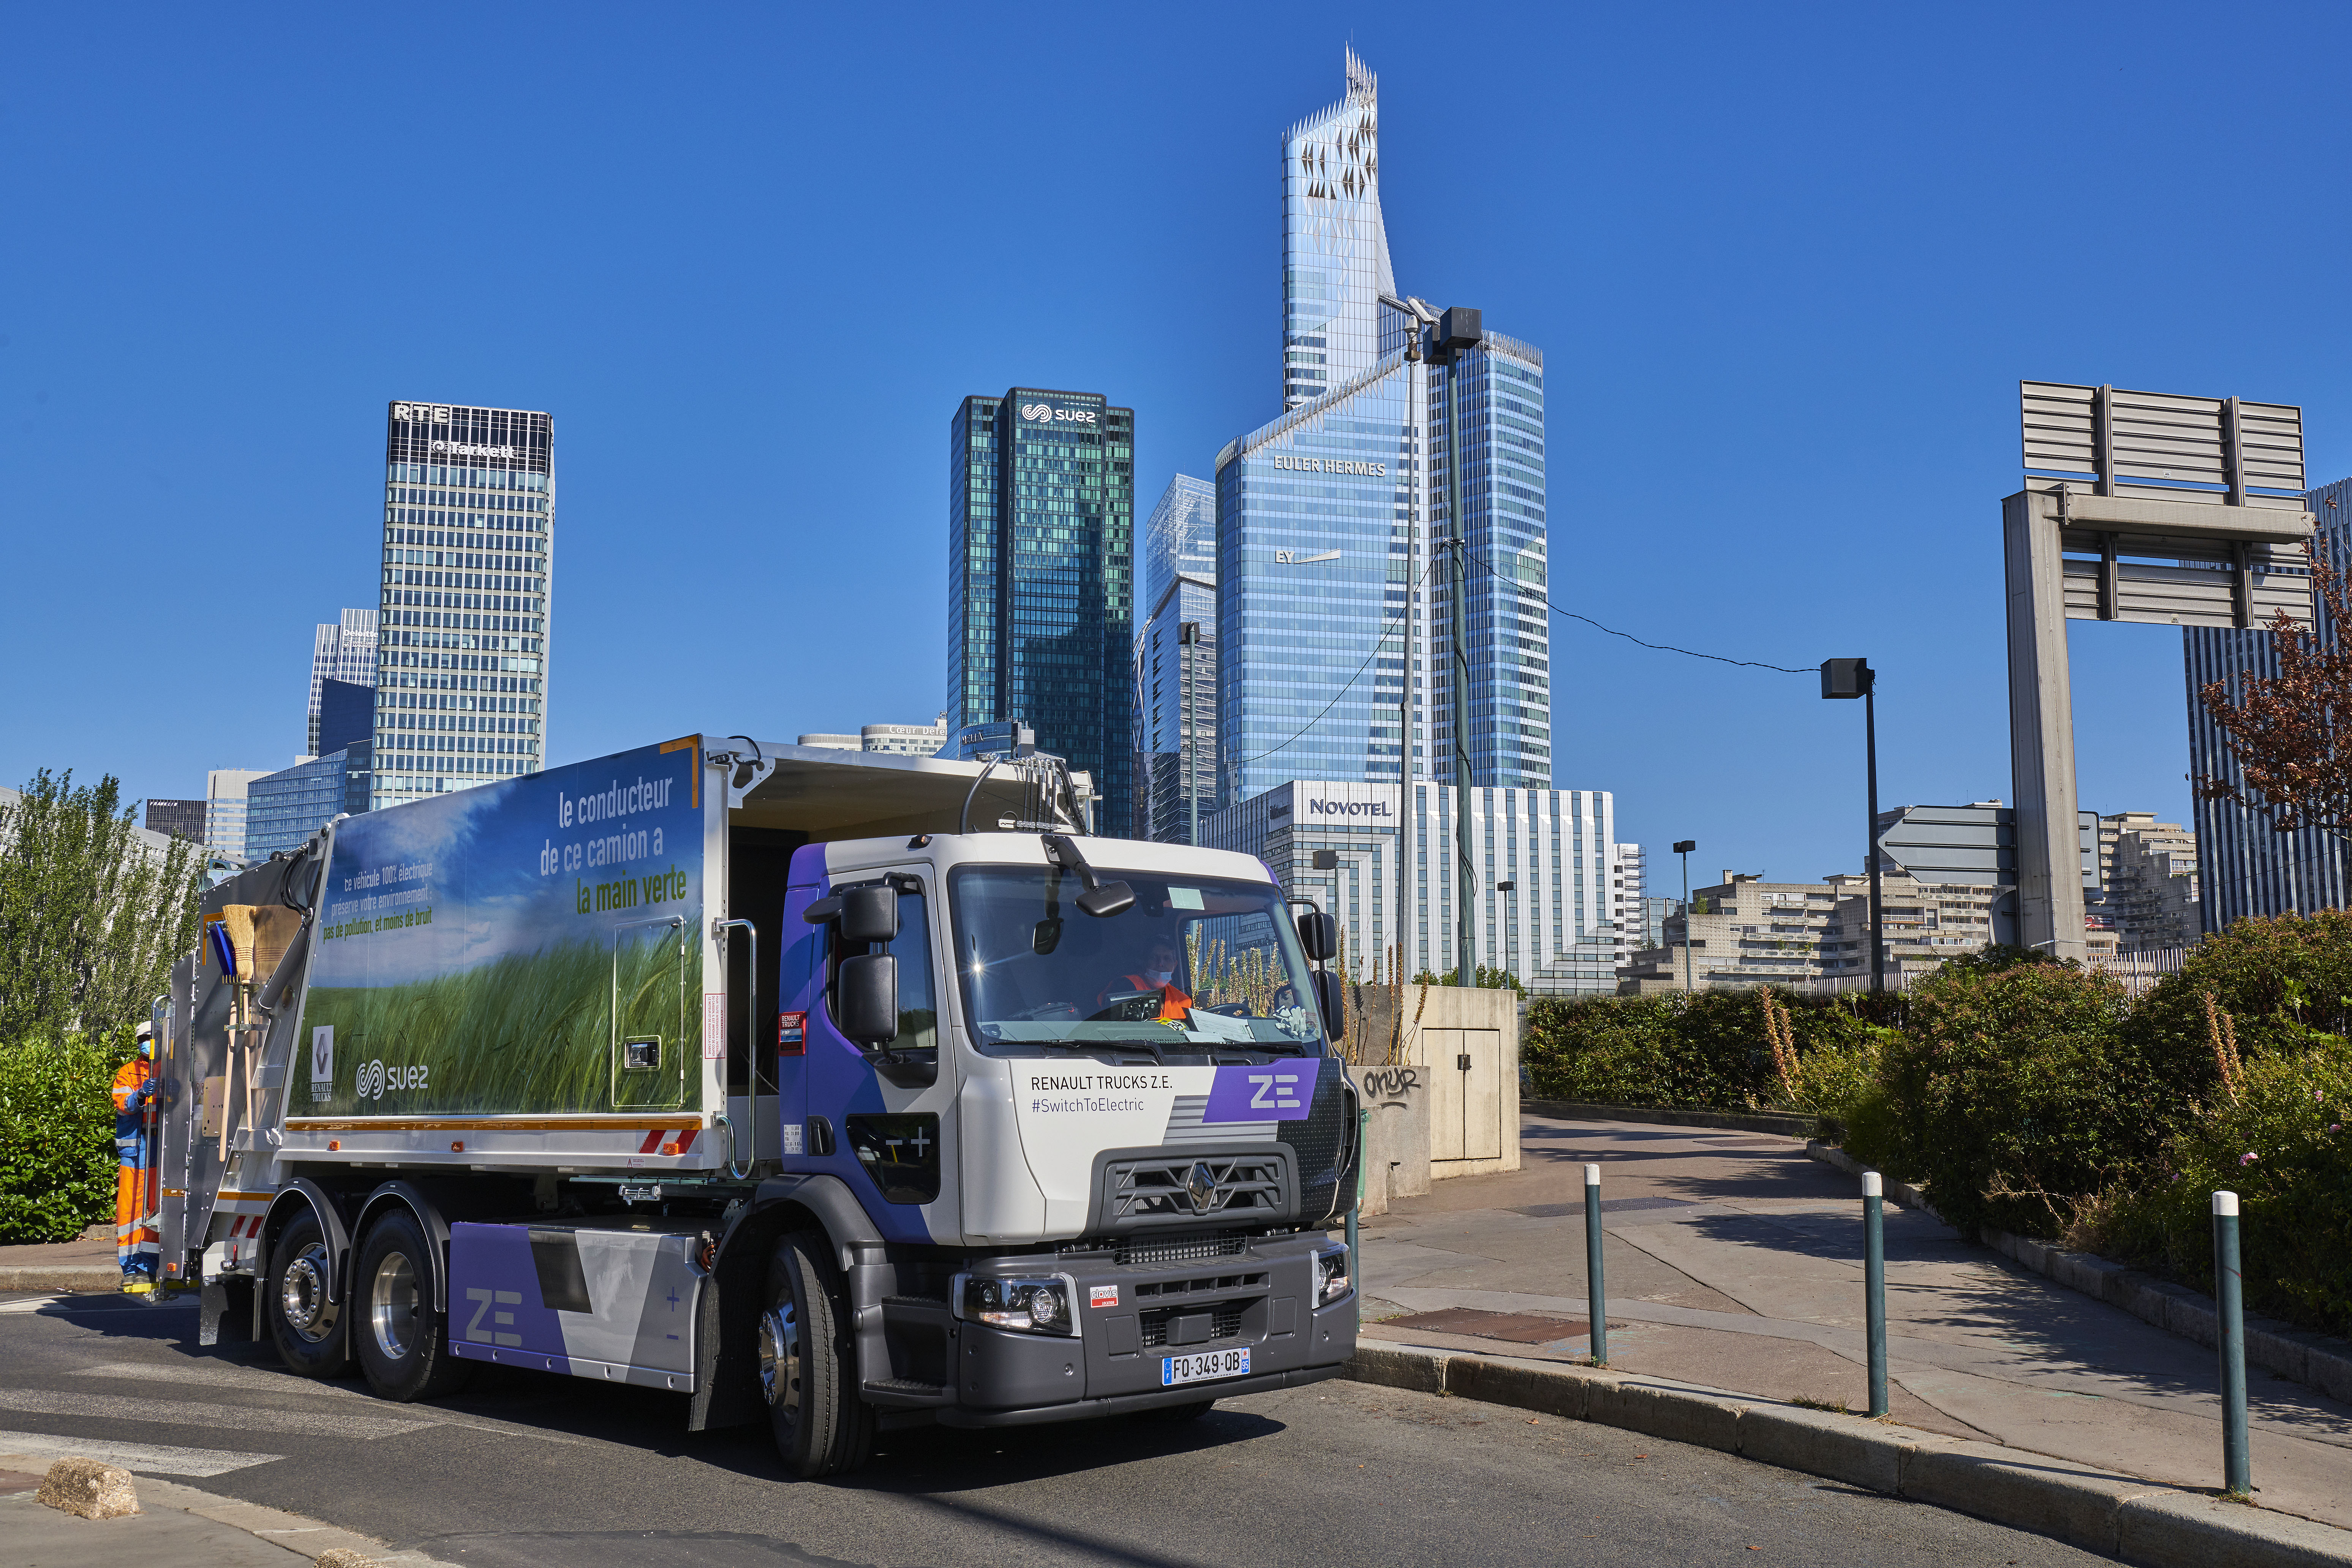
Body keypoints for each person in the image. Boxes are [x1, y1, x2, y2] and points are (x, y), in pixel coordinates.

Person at [112, 1023, 160, 1287]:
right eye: (144, 1039)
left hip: (159, 1151)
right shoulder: (127, 1073)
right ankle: (131, 1270)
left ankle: (148, 1267)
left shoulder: (169, 1068)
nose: (149, 1042)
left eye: (153, 1038)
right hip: (134, 1152)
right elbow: (124, 1104)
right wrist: (141, 1095)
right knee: (130, 1212)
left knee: (154, 1211)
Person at [1100, 935, 1193, 1021]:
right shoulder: (1125, 986)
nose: (1161, 964)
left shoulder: (1184, 1001)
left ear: (1175, 965)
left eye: (1167, 959)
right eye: (1154, 957)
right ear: (1145, 962)